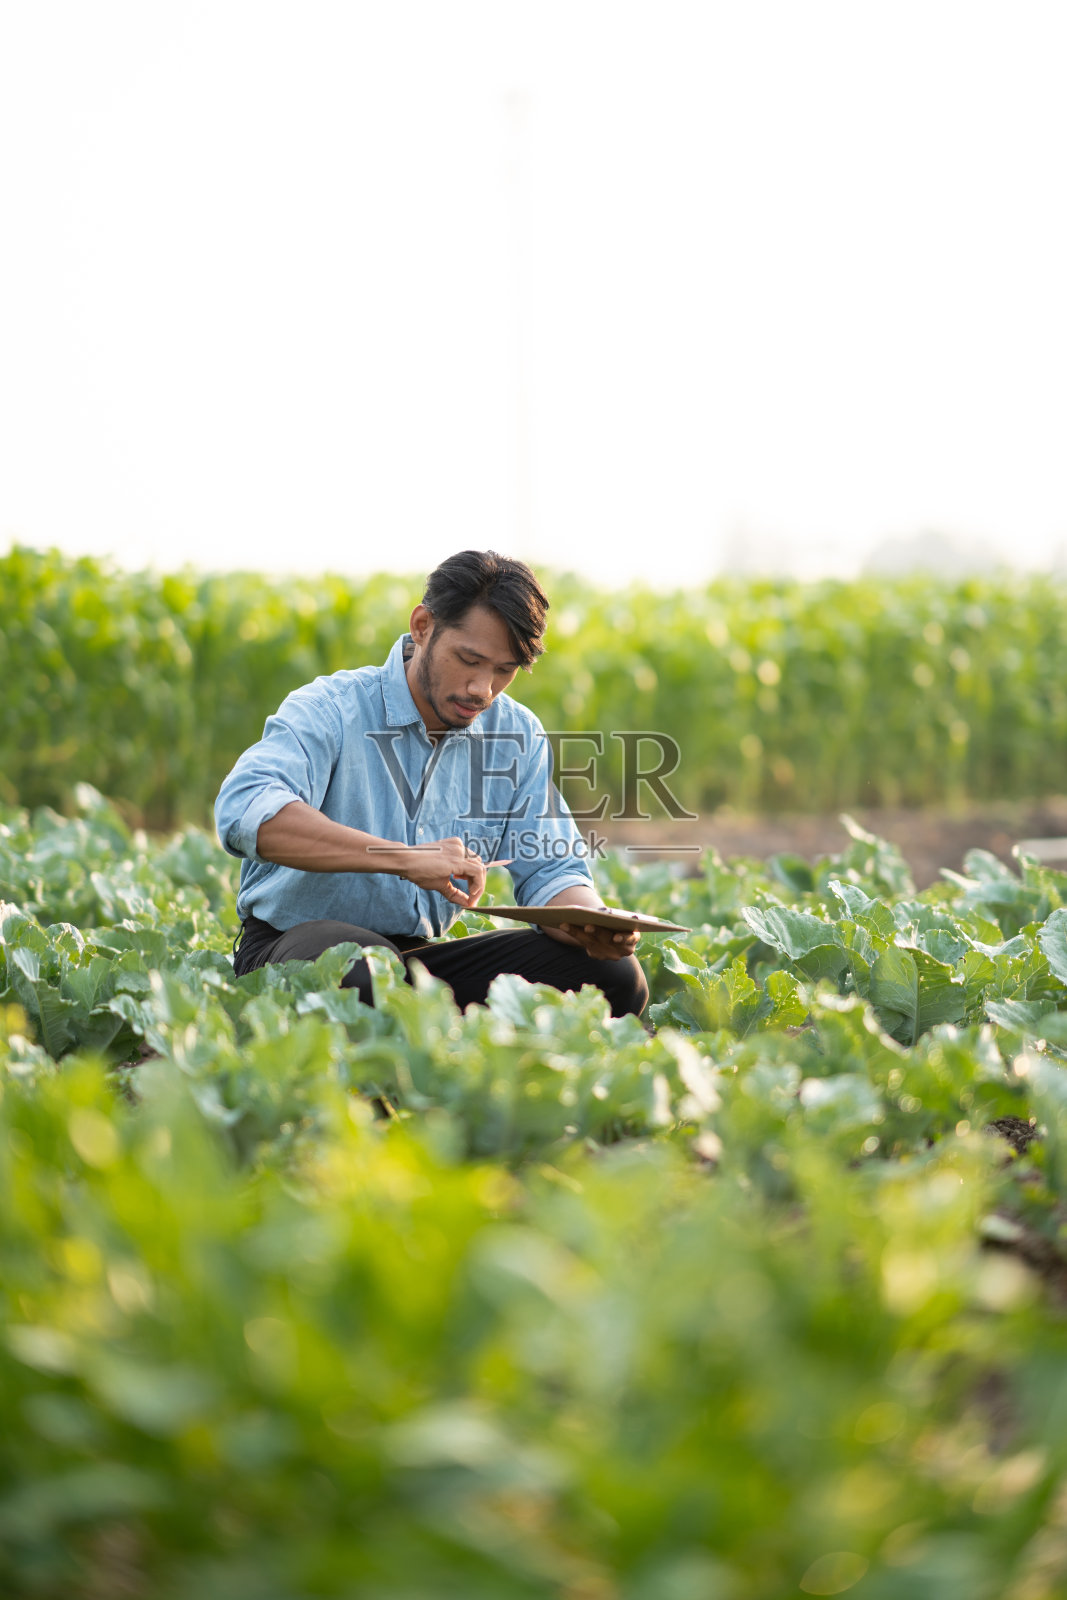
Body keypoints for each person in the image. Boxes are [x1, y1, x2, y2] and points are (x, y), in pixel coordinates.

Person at [214, 550, 648, 1019]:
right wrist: (402, 859)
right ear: (423, 626)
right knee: (364, 970)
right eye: (470, 659)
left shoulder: (517, 735)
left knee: (614, 979)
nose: (483, 688)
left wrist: (591, 923)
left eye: (504, 671)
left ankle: (451, 1054)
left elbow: (551, 872)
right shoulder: (331, 708)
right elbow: (247, 811)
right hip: (296, 947)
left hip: (416, 960)